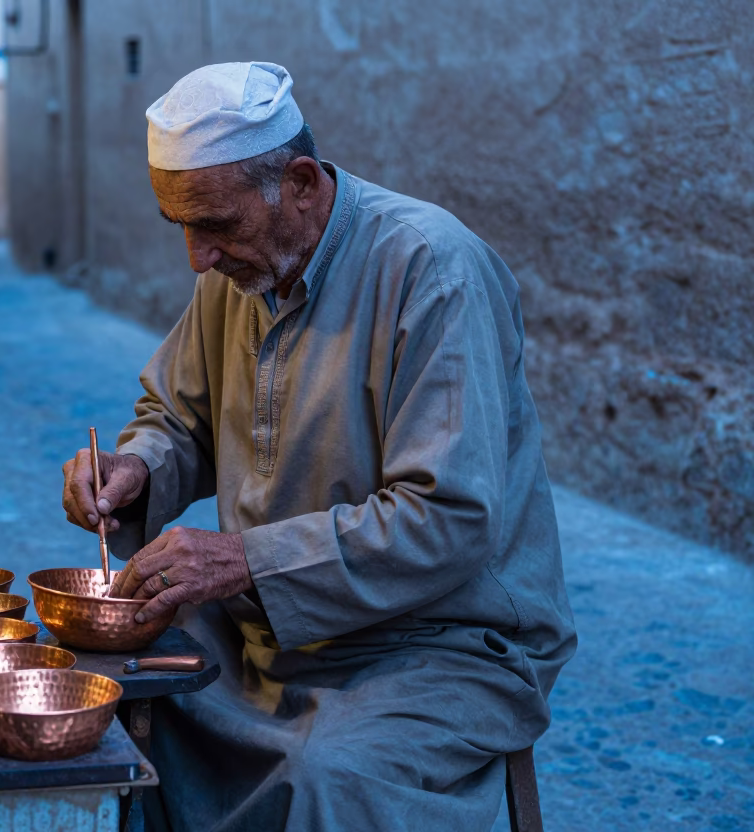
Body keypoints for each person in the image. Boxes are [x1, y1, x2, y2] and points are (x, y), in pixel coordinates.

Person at [60, 62, 576, 831]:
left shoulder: (432, 270)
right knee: (114, 699)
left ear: (299, 182)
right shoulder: (234, 277)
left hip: (442, 642)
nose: (198, 258)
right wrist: (137, 467)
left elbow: (448, 519)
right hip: (266, 628)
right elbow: (177, 417)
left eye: (218, 226)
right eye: (184, 228)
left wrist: (242, 560)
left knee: (324, 776)